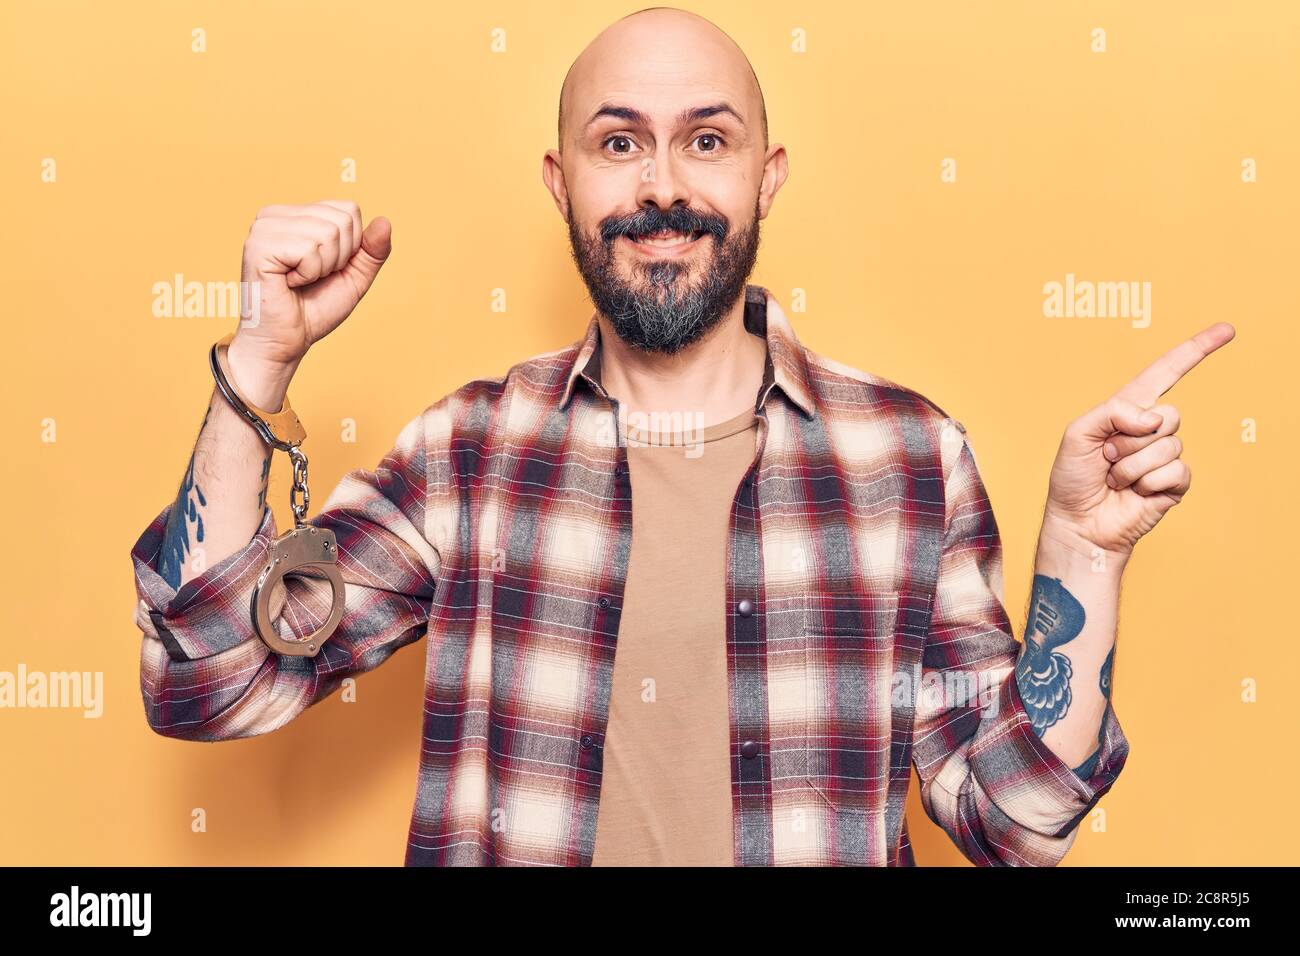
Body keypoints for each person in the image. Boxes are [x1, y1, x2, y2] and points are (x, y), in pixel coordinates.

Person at [129, 7, 1233, 866]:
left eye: (706, 139)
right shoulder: (469, 452)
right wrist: (259, 366)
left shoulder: (907, 457)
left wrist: (1084, 550)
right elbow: (208, 682)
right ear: (562, 184)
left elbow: (1017, 821)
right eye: (620, 143)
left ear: (767, 175)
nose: (662, 187)